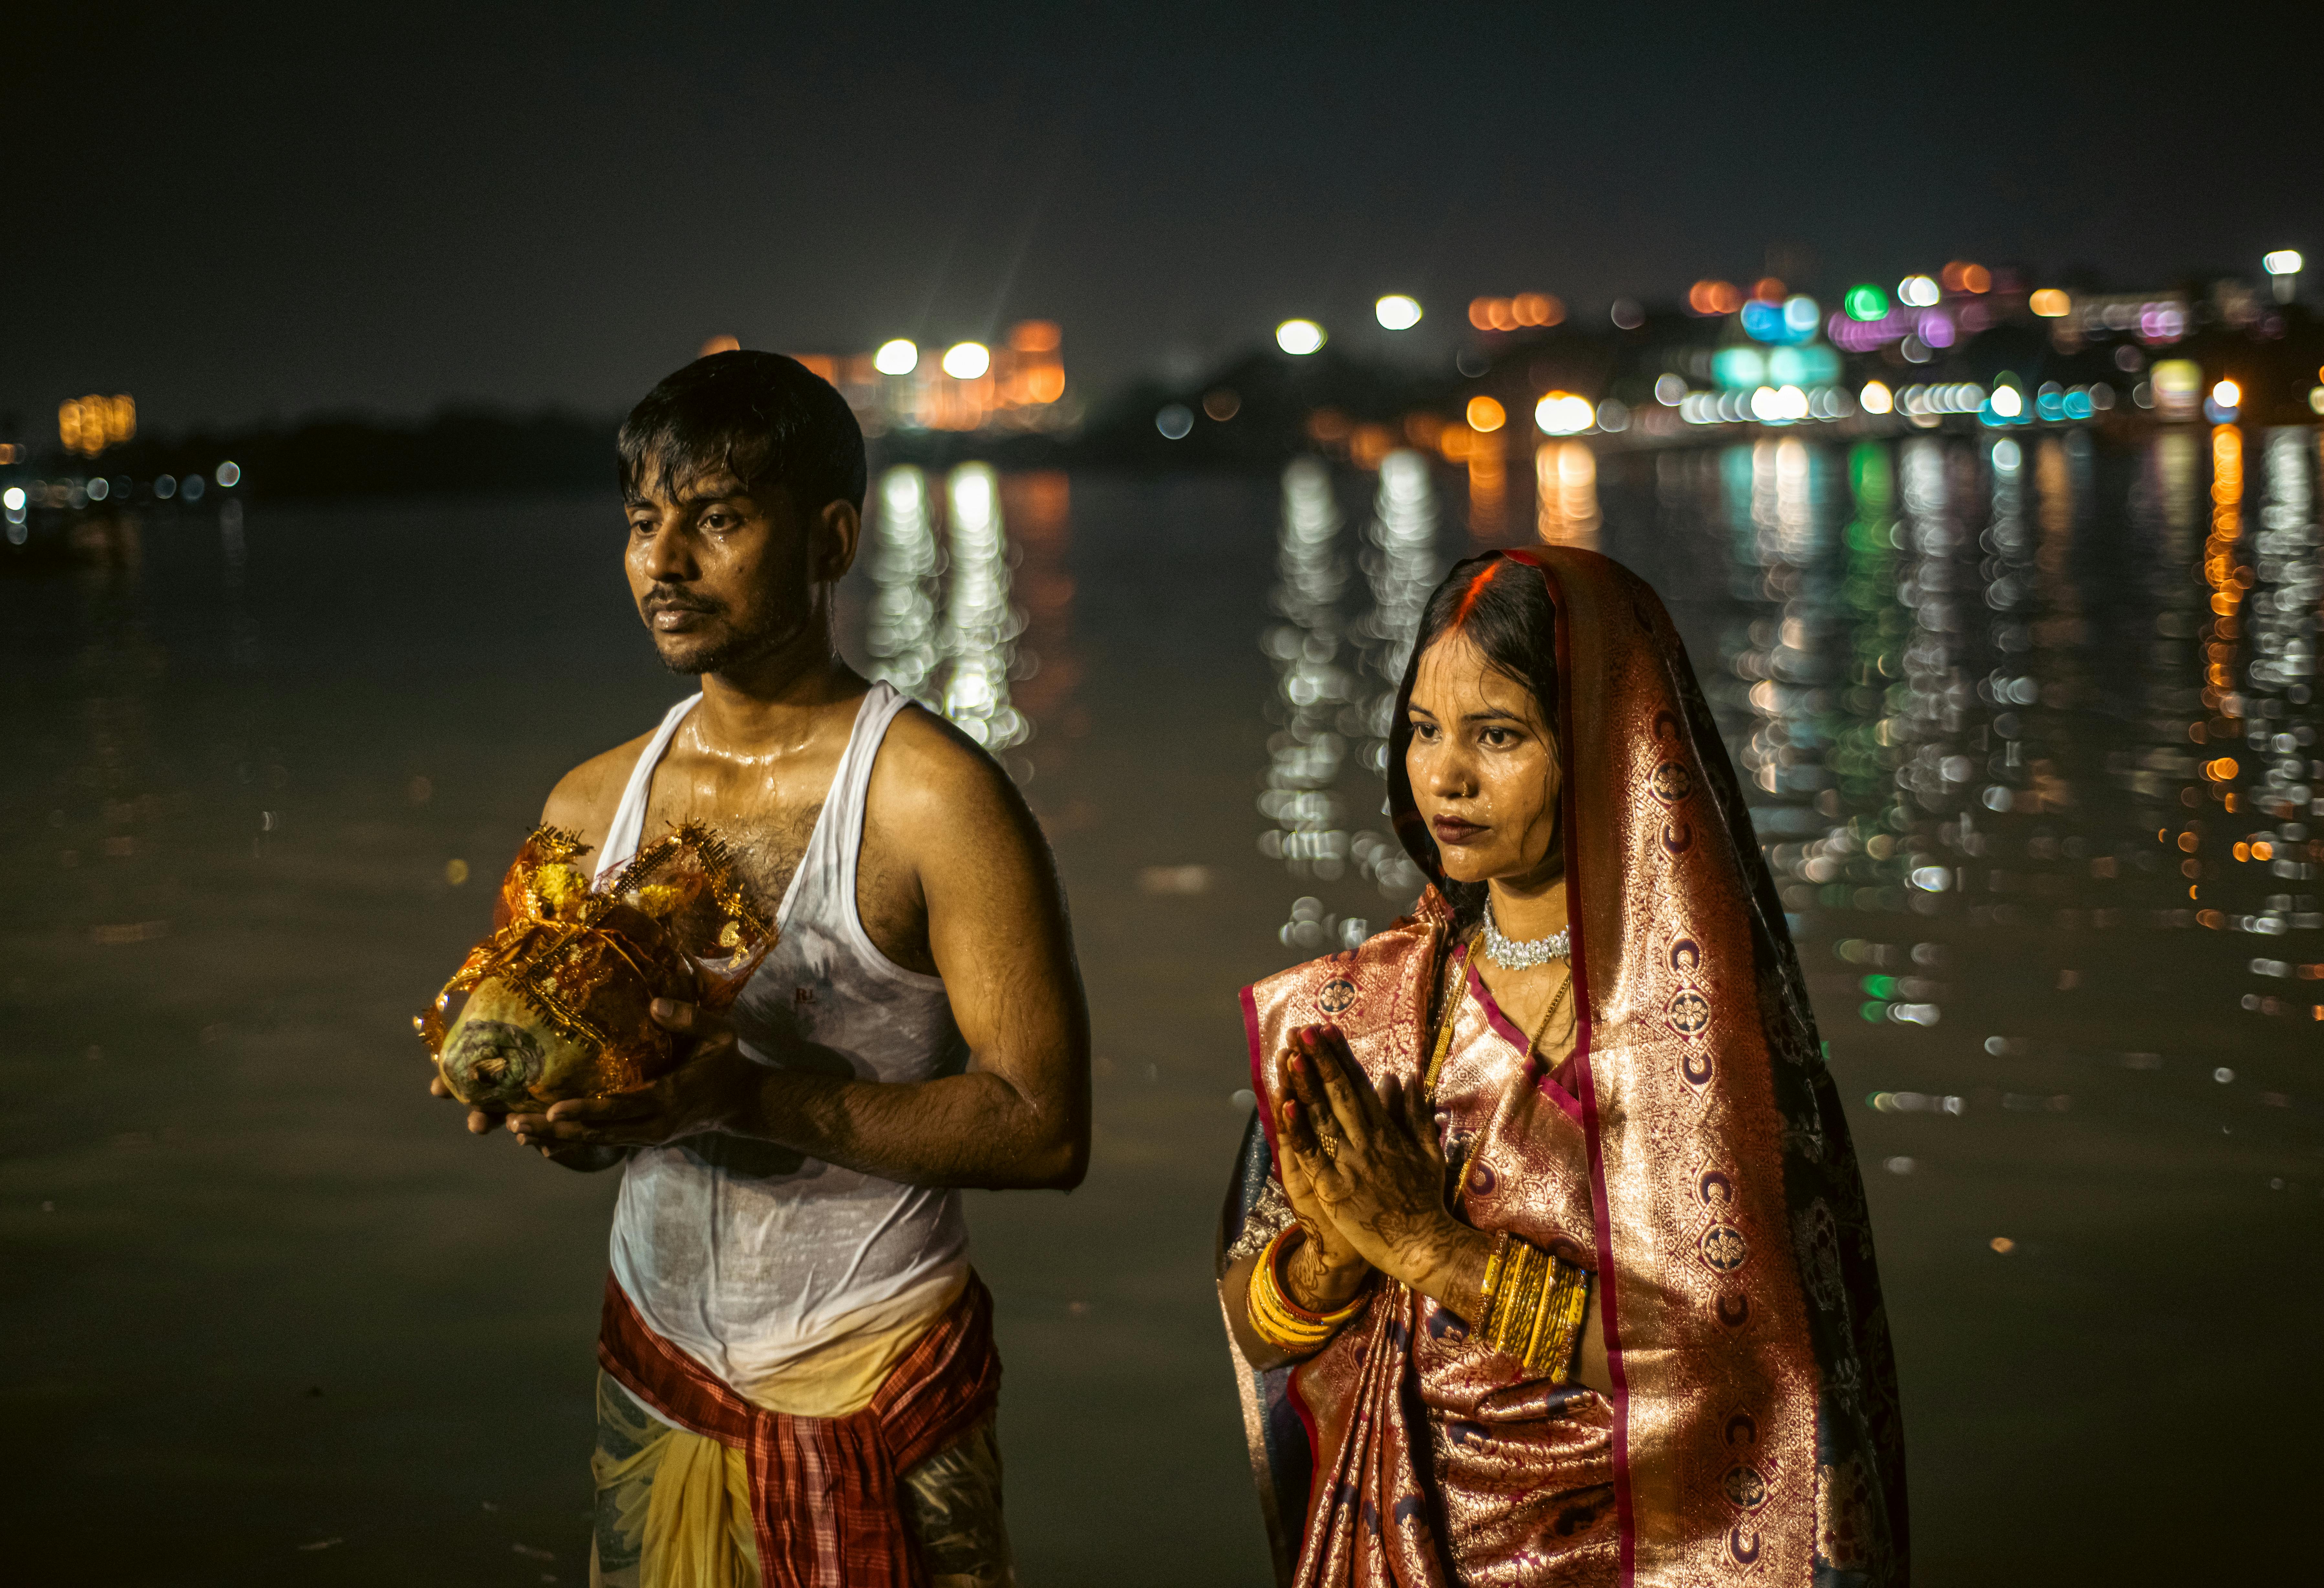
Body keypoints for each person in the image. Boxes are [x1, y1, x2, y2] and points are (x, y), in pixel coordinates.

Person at [430, 349, 1092, 1588]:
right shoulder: (590, 805)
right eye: (643, 522)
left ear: (831, 538)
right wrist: (567, 1115)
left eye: (719, 520)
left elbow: (1046, 1130)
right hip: (657, 1370)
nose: (664, 563)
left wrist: (746, 1099)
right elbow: (595, 1096)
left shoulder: (933, 802)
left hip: (879, 1376)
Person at [1217, 546, 1905, 1587]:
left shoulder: (1700, 1036)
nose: (1446, 775)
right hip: (1403, 1540)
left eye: (1498, 736)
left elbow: (1732, 1365)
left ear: (1603, 748)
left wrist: (1426, 1245)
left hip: (1640, 1553)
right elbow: (1252, 1322)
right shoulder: (1369, 1008)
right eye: (1423, 731)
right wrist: (1333, 1258)